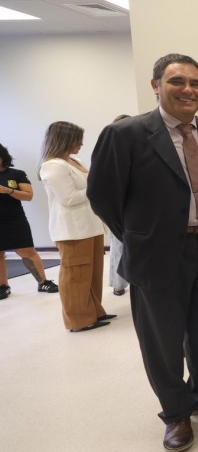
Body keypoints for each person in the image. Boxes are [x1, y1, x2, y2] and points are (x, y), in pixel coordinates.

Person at [87, 53, 198, 452]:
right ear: (156, 85)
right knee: (162, 340)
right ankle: (176, 413)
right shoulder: (125, 133)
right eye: (178, 81)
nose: (188, 90)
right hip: (156, 255)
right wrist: (141, 236)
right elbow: (102, 195)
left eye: (196, 83)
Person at [39, 122, 111, 331]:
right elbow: (68, 198)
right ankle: (78, 320)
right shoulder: (52, 166)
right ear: (63, 140)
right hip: (72, 229)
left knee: (92, 273)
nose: (80, 144)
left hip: (90, 225)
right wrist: (97, 189)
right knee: (76, 275)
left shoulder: (74, 161)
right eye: (76, 140)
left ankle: (94, 312)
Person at [0, 143, 58, 299]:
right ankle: (2, 286)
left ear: (3, 157)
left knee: (27, 251)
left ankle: (43, 282)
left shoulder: (16, 174)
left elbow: (28, 195)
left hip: (14, 219)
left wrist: (8, 190)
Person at [107, 115, 132, 297]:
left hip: (139, 211)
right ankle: (118, 284)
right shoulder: (108, 153)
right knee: (118, 248)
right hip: (118, 211)